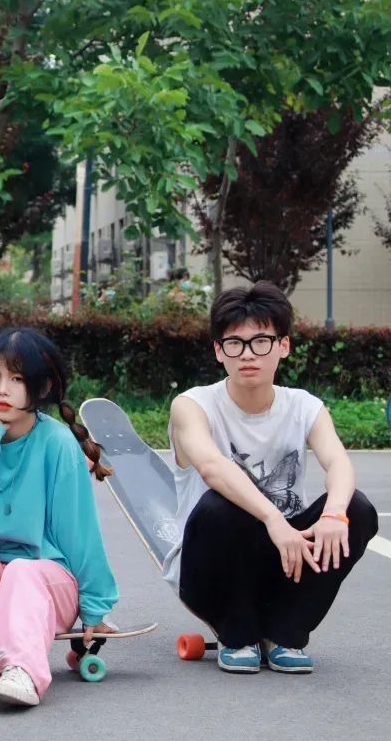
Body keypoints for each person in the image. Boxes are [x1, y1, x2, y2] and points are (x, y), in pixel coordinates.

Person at [166, 281, 378, 674]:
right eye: (235, 343)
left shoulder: (304, 407)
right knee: (218, 506)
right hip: (211, 566)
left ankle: (286, 632)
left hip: (286, 559)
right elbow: (212, 467)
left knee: (357, 509)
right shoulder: (193, 405)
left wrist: (334, 515)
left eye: (261, 341)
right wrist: (273, 518)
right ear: (218, 351)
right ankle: (236, 633)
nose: (248, 354)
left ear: (283, 346)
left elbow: (339, 463)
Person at [0, 326, 118, 707]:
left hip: (47, 583)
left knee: (22, 571)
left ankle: (22, 670)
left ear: (41, 387)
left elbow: (79, 532)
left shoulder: (57, 443)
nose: (3, 390)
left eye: (16, 379)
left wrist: (94, 608)